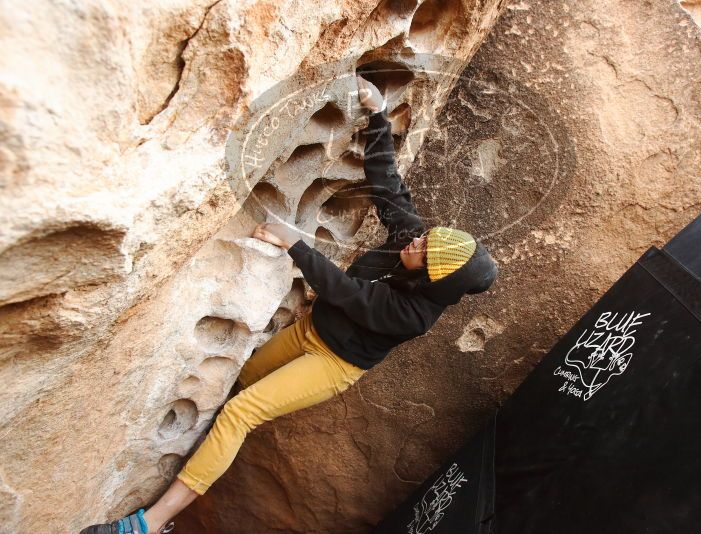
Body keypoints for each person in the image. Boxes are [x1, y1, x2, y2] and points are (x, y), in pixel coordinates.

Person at [80, 75, 498, 534]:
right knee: (230, 386)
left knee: (244, 412)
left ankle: (149, 523)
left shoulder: (415, 315)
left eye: (425, 249)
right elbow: (388, 185)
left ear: (435, 277)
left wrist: (296, 245)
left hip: (332, 363)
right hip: (305, 332)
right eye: (424, 236)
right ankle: (177, 476)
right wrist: (377, 115)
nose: (417, 240)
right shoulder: (410, 245)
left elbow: (349, 294)